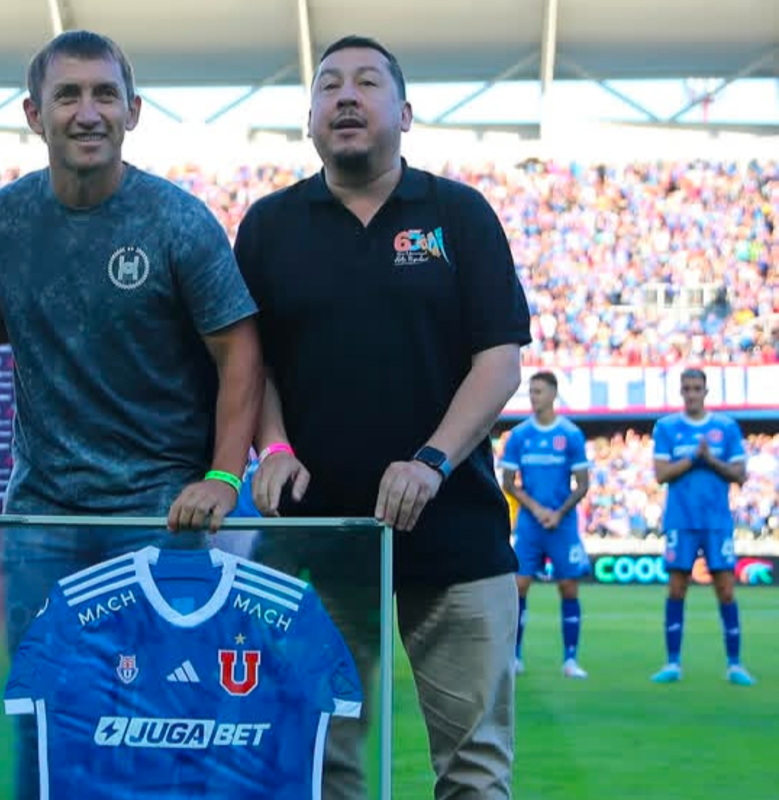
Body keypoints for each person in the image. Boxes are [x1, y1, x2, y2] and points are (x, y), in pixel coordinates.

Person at [0, 30, 264, 800]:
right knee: (41, 719)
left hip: (164, 514)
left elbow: (239, 351)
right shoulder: (0, 223)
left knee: (169, 721)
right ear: (33, 113)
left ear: (134, 111)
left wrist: (222, 475)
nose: (88, 113)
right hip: (43, 519)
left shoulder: (177, 221)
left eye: (104, 95)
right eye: (69, 95)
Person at [235, 35, 531, 800]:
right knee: (322, 765)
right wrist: (270, 448)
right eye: (328, 84)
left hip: (457, 535)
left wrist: (431, 460)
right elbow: (251, 365)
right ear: (308, 120)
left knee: (474, 770)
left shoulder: (458, 214)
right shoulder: (269, 226)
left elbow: (498, 362)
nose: (345, 95)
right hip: (316, 537)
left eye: (367, 83)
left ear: (404, 112)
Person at [649, 368, 755, 686]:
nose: (692, 393)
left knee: (725, 589)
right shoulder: (667, 427)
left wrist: (711, 460)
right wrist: (695, 458)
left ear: (706, 392)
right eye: (687, 388)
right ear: (680, 392)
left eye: (697, 388)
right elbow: (661, 474)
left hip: (716, 521)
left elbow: (739, 474)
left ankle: (735, 664)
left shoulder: (726, 427)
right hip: (680, 520)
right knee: (677, 588)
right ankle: (672, 663)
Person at [499, 370, 591, 678]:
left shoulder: (571, 435)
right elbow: (509, 482)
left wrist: (557, 512)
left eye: (538, 391)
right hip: (530, 523)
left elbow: (582, 483)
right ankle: (514, 656)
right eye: (532, 391)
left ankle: (570, 659)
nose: (534, 397)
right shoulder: (520, 436)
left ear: (553, 394)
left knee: (568, 587)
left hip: (562, 524)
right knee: (519, 586)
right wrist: (537, 508)